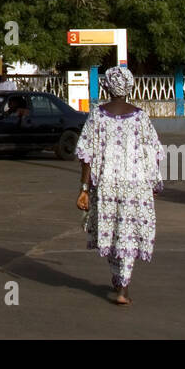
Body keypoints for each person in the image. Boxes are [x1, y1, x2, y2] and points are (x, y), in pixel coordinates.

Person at [75, 65, 164, 305]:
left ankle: (118, 278)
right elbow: (154, 152)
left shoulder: (97, 115)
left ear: (107, 87)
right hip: (135, 186)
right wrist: (153, 183)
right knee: (127, 234)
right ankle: (122, 285)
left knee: (112, 231)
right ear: (130, 87)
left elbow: (86, 154)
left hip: (107, 186)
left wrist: (84, 188)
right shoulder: (141, 116)